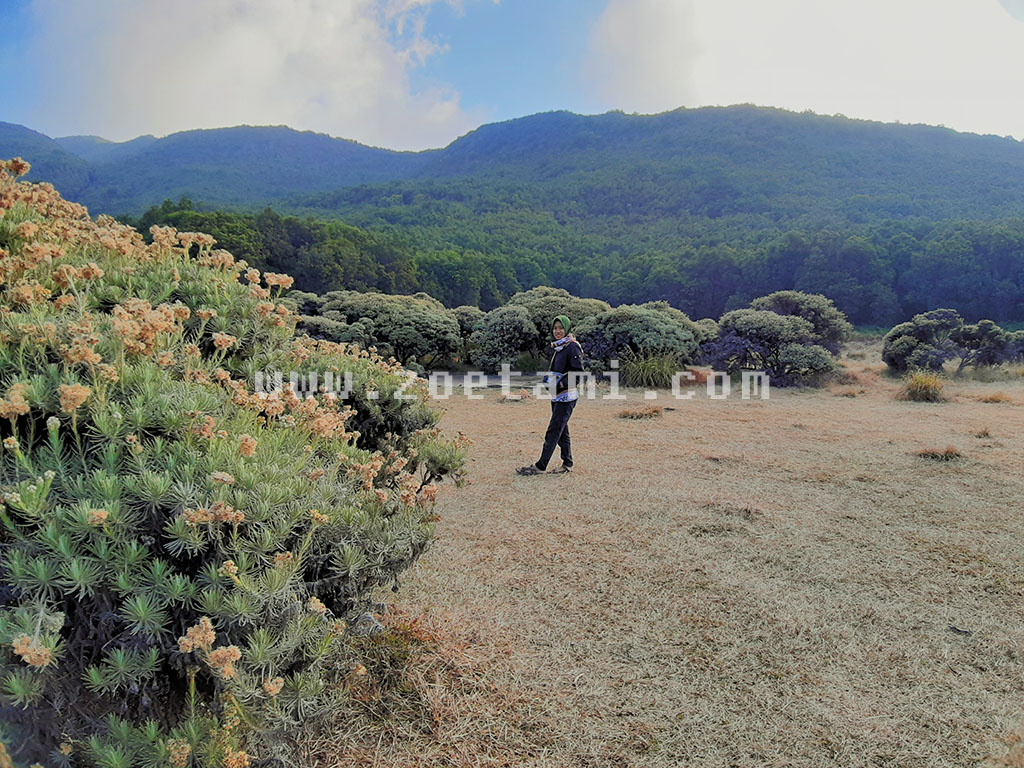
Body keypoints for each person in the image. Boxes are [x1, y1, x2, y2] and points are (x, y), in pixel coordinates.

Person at [517, 315, 584, 475]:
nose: (558, 331)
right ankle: (567, 463)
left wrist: (559, 385)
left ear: (567, 329)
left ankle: (540, 466)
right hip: (557, 395)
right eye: (555, 328)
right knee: (562, 431)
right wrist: (549, 382)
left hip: (566, 396)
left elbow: (578, 373)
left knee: (554, 430)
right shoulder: (560, 346)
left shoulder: (572, 347)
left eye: (561, 328)